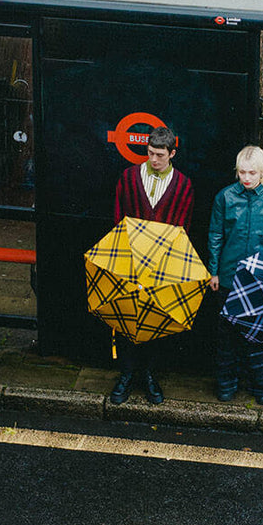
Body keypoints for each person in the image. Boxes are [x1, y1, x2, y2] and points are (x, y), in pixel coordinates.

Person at [108, 124, 195, 406]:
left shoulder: (183, 185)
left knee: (156, 324)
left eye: (159, 155)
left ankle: (149, 376)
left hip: (163, 269)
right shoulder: (129, 177)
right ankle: (126, 375)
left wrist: (162, 264)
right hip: (130, 264)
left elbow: (182, 230)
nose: (153, 160)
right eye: (149, 153)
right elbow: (119, 221)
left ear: (172, 153)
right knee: (125, 321)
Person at [207, 145, 263, 405]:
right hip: (230, 278)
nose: (246, 178)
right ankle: (227, 384)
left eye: (252, 173)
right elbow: (216, 235)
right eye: (242, 172)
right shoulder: (224, 197)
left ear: (262, 172)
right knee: (228, 337)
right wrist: (213, 271)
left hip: (262, 282)